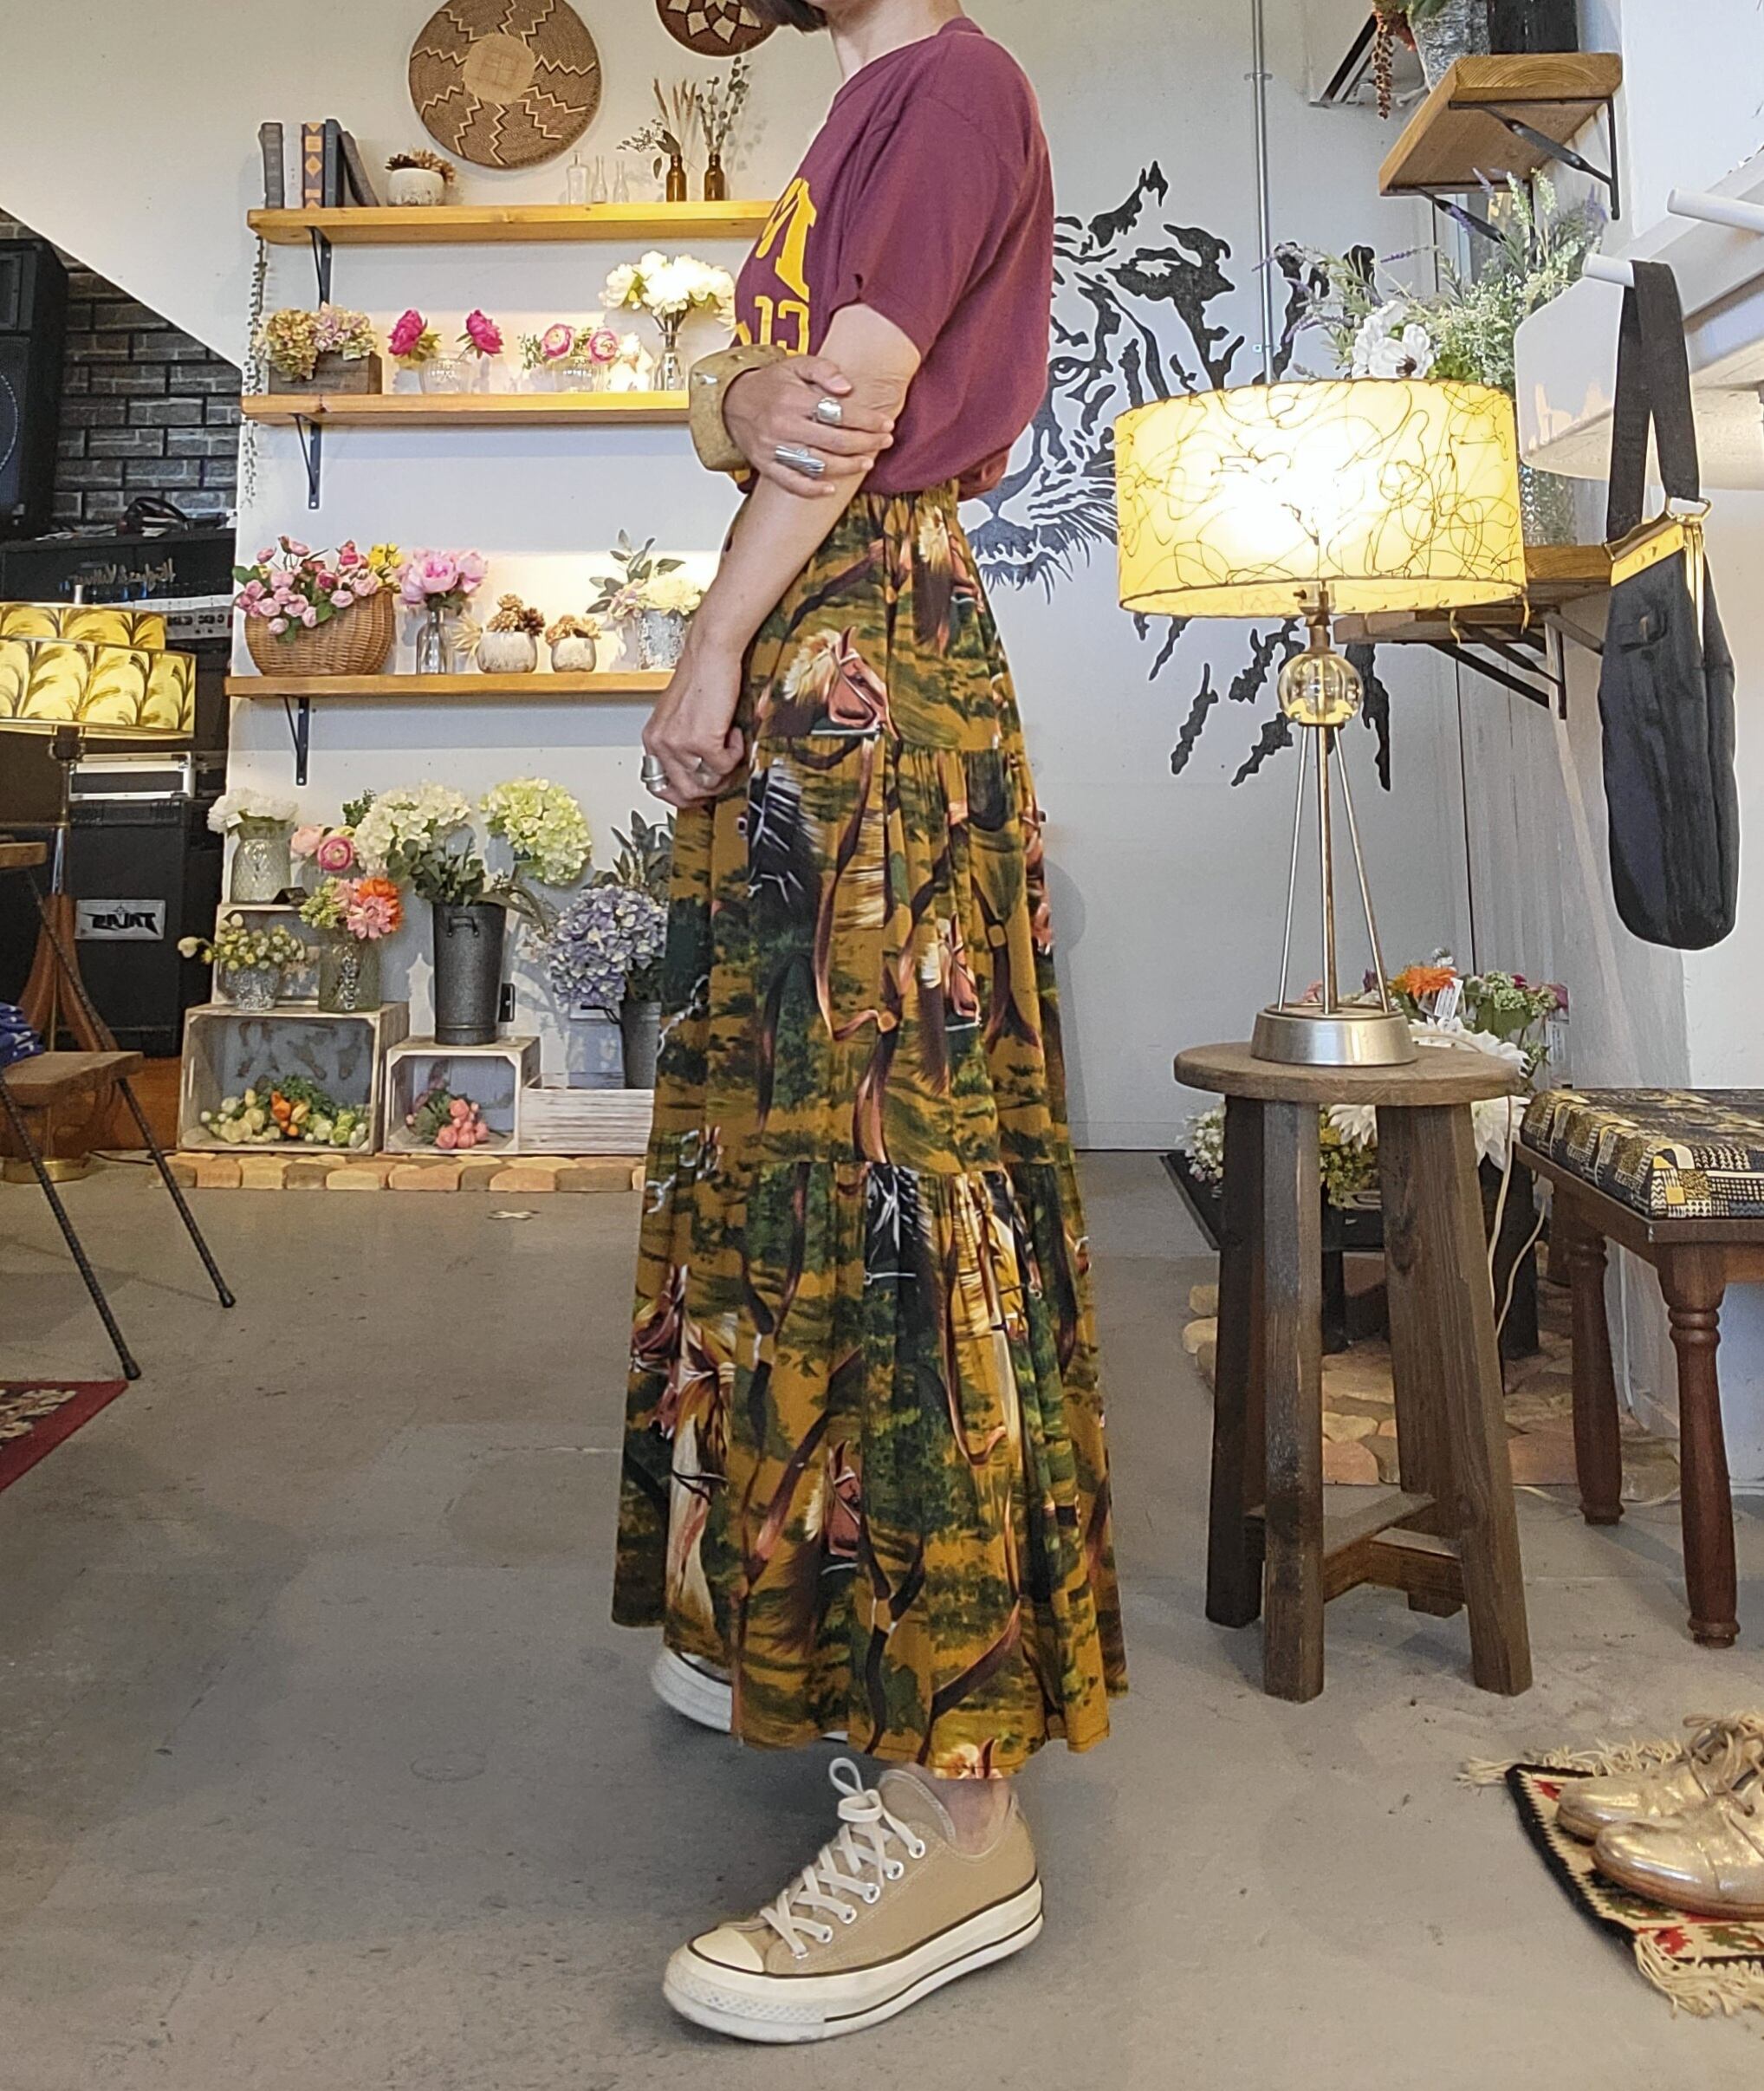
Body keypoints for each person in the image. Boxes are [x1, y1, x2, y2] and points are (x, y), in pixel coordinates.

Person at [614, 0, 1125, 2042]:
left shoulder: (947, 85)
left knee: (896, 1177)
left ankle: (956, 1806)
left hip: (857, 653)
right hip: (845, 649)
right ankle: (821, 1627)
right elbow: (762, 396)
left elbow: (824, 417)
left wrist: (708, 640)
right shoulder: (872, 106)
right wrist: (727, 396)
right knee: (805, 1149)